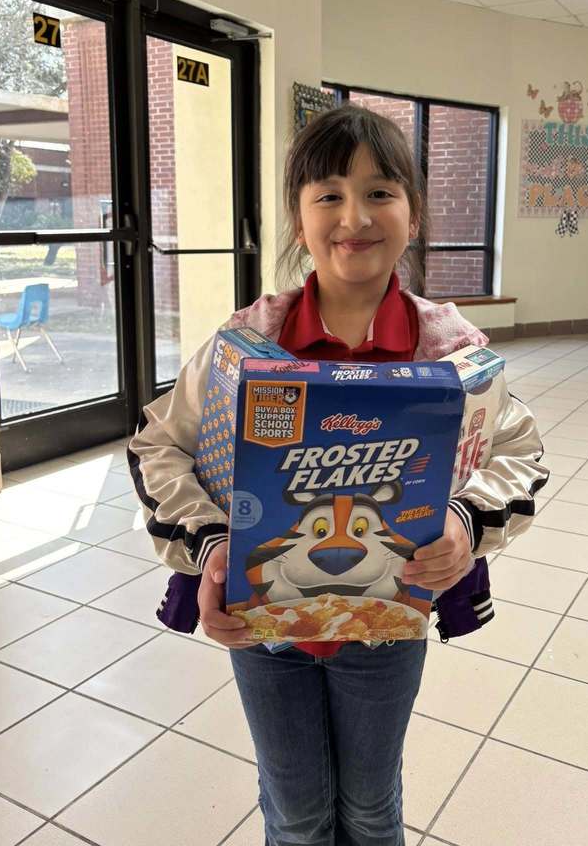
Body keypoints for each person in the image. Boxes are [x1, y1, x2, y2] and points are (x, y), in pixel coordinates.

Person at [128, 104, 548, 846]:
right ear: (299, 220)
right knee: (296, 813)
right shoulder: (246, 343)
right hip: (264, 631)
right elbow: (159, 444)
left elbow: (518, 452)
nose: (354, 216)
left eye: (380, 192)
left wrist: (464, 520)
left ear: (413, 215)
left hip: (386, 632)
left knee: (371, 809)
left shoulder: (448, 350)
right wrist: (211, 546)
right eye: (329, 194)